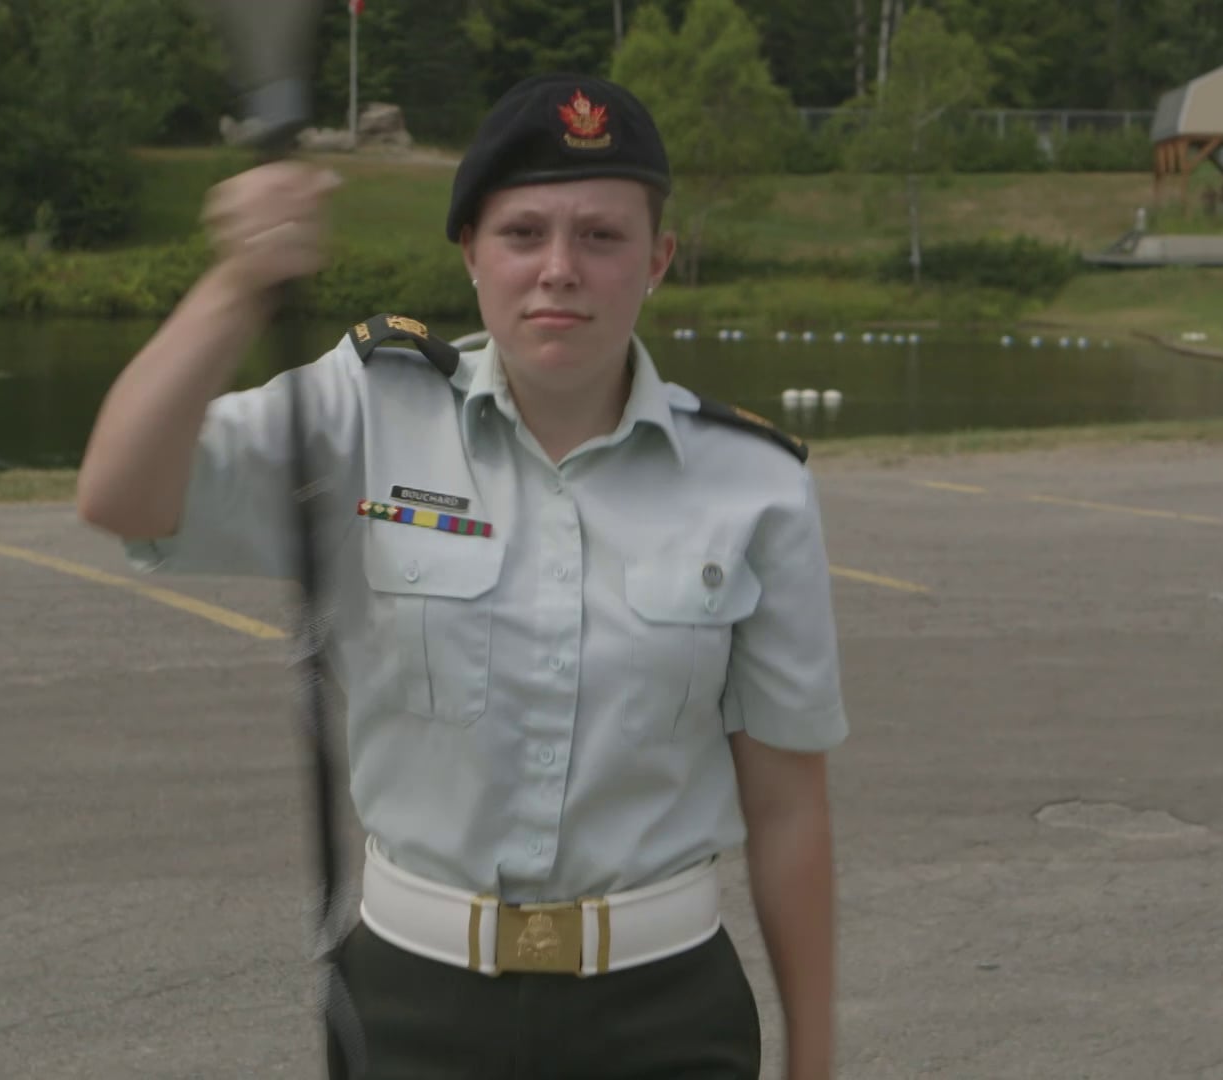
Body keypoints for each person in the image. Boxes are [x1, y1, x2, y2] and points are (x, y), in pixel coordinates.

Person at [76, 73, 846, 1079]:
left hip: (665, 1017)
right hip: (414, 1006)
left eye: (601, 236)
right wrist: (236, 284)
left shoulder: (754, 485)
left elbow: (788, 810)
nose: (559, 269)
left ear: (656, 259)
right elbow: (123, 494)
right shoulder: (367, 413)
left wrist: (814, 1063)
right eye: (523, 233)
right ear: (470, 252)